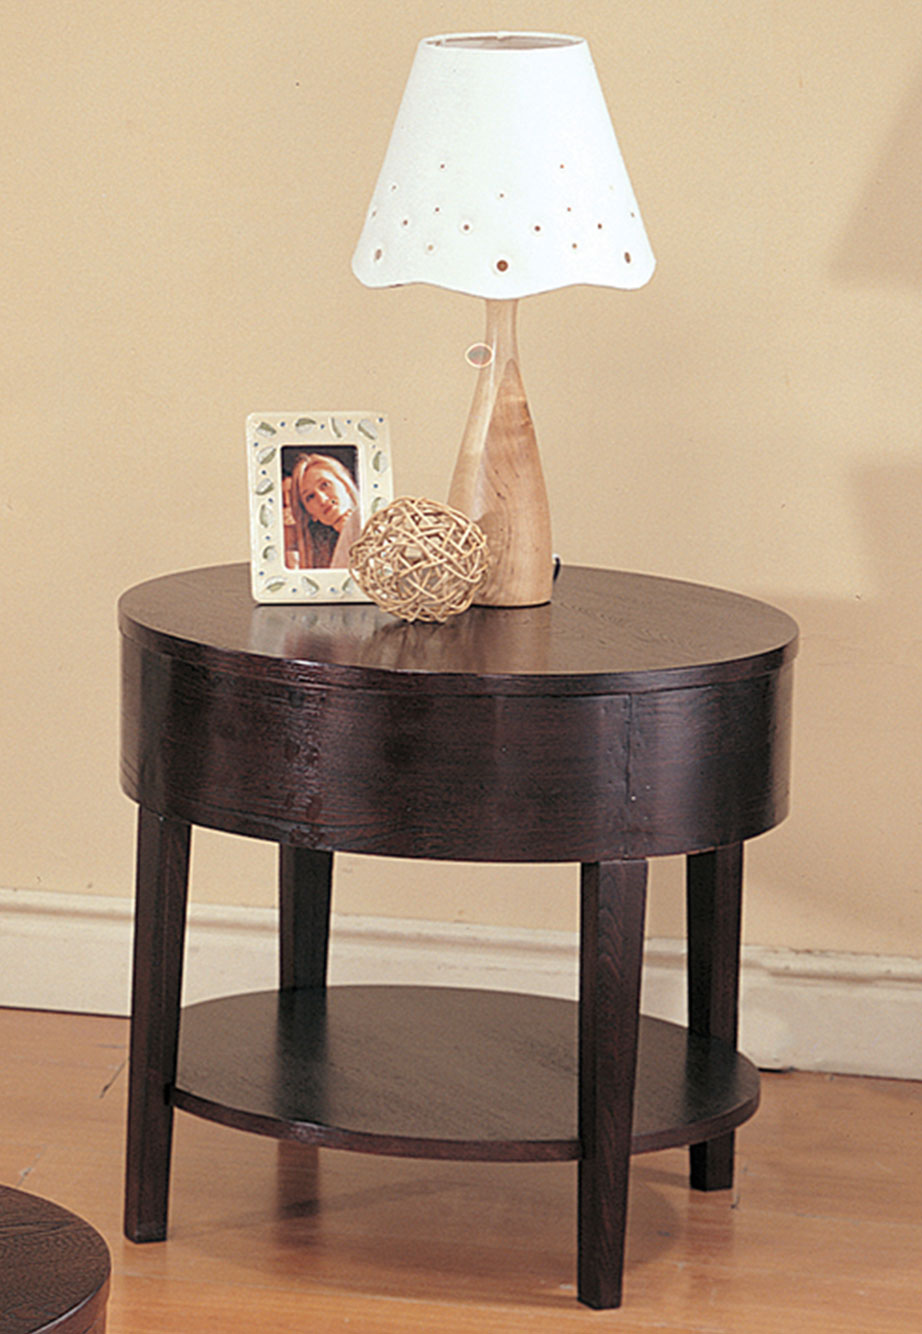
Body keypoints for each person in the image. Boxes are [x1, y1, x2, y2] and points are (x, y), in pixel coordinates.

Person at [285, 452, 361, 570]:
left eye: (325, 485)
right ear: (311, 514)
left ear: (344, 484)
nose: (322, 499)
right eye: (310, 497)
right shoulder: (318, 558)